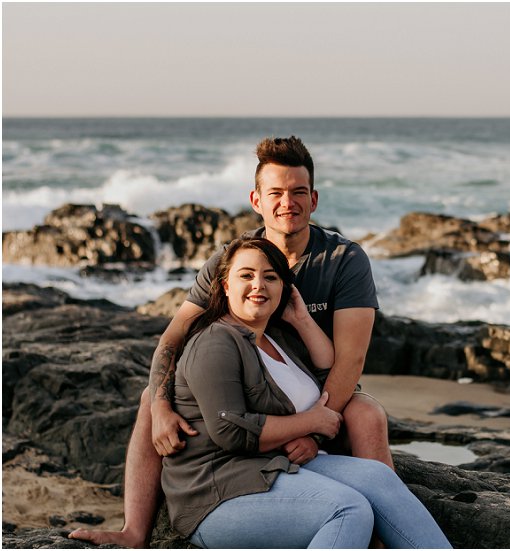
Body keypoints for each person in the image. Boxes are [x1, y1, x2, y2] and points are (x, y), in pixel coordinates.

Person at [70, 136, 392, 547]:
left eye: (297, 192)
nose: (286, 203)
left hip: (321, 391)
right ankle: (134, 530)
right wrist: (162, 406)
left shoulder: (343, 259)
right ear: (256, 199)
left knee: (368, 415)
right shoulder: (235, 261)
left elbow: (351, 360)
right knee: (150, 396)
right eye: (275, 193)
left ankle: (379, 535)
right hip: (249, 391)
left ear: (313, 199)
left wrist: (313, 431)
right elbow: (173, 337)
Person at [160, 236, 450, 548]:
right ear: (225, 285)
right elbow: (230, 430)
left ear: (284, 288)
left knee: (378, 478)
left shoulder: (275, 339)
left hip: (273, 466)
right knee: (348, 509)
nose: (258, 284)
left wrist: (301, 319)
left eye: (270, 277)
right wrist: (312, 423)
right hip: (217, 491)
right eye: (246, 275)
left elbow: (328, 372)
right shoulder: (216, 341)